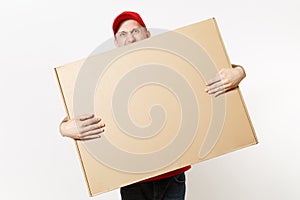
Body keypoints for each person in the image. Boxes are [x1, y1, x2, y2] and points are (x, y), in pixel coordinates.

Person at [59, 11, 246, 200]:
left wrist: (239, 72)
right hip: (133, 182)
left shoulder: (167, 59)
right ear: (116, 43)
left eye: (135, 31)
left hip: (173, 176)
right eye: (123, 34)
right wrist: (65, 128)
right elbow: (77, 109)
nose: (130, 38)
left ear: (147, 34)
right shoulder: (107, 76)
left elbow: (205, 70)